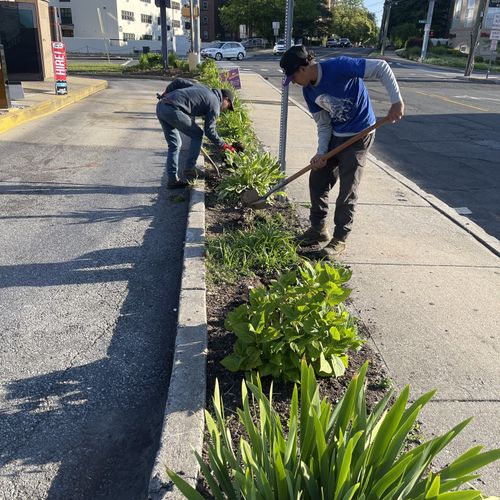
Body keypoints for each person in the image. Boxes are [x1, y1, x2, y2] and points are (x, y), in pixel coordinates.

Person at [279, 45, 404, 259]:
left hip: (360, 134)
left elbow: (381, 67)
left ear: (302, 69)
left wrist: (396, 101)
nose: (294, 83)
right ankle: (318, 230)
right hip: (336, 134)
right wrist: (321, 153)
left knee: (347, 189)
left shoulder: (340, 66)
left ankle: (339, 239)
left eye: (293, 78)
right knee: (318, 178)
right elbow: (323, 124)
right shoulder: (309, 91)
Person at [156, 78, 237, 188]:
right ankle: (190, 168)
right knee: (197, 134)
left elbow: (178, 81)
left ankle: (172, 180)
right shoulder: (215, 105)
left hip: (161, 105)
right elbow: (209, 131)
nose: (226, 109)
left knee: (175, 144)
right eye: (228, 106)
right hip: (173, 110)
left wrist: (166, 94)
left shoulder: (203, 88)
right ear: (226, 99)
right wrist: (224, 145)